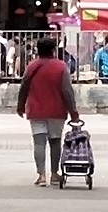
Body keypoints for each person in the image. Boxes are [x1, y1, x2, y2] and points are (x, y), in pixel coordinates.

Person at [17, 37, 80, 186]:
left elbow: (23, 87)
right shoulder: (60, 67)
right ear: (53, 50)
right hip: (57, 111)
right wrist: (74, 113)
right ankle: (54, 174)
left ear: (38, 50)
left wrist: (20, 106)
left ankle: (41, 176)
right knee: (55, 142)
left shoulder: (32, 66)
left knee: (39, 143)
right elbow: (67, 91)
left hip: (36, 110)